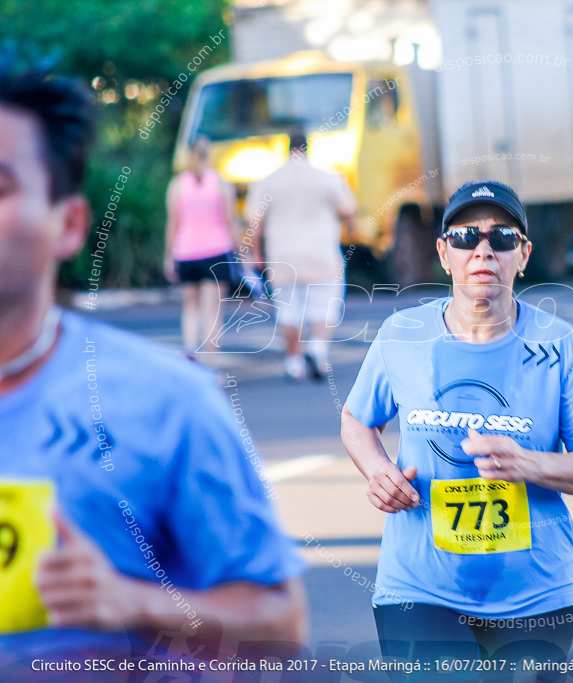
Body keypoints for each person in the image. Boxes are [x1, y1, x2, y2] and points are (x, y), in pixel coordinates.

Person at [0, 55, 306, 669]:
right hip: (202, 258)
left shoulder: (168, 402)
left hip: (222, 262)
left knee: (204, 308)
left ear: (69, 223)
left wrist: (132, 603)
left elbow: (282, 623)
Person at [341, 180, 573, 678]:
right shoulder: (403, 335)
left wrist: (531, 464)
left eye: (502, 238)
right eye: (467, 237)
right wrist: (377, 470)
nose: (483, 250)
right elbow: (358, 419)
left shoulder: (561, 346)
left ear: (523, 254)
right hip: (418, 588)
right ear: (444, 253)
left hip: (536, 593)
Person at [245, 132, 357, 381]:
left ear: (286, 149)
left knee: (289, 311)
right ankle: (317, 349)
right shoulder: (326, 177)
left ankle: (293, 361)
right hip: (320, 254)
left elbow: (254, 220)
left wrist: (255, 253)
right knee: (325, 304)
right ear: (308, 148)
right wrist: (351, 229)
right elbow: (348, 208)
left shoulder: (269, 180)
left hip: (283, 256)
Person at [164, 135, 240, 363]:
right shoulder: (221, 183)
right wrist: (241, 251)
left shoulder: (177, 185)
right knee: (212, 312)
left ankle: (189, 347)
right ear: (211, 155)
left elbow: (173, 223)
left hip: (186, 252)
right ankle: (211, 363)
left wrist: (168, 255)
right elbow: (231, 221)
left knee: (190, 306)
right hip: (216, 251)